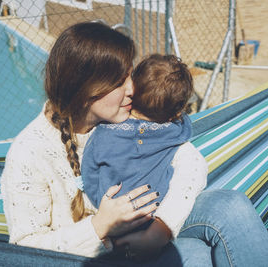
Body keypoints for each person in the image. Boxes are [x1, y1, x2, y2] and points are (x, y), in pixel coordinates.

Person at [0, 21, 268, 266]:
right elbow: (24, 250)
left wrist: (160, 230)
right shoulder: (29, 153)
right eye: (120, 81)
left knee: (231, 205)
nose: (133, 89)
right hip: (96, 259)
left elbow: (190, 162)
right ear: (87, 90)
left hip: (147, 233)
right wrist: (100, 226)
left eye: (130, 75)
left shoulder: (122, 117)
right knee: (198, 255)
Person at [81, 54, 205, 237]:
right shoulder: (173, 133)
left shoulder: (103, 133)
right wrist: (176, 115)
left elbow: (89, 173)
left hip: (115, 225)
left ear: (133, 90)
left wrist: (100, 202)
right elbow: (185, 126)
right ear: (174, 114)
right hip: (154, 221)